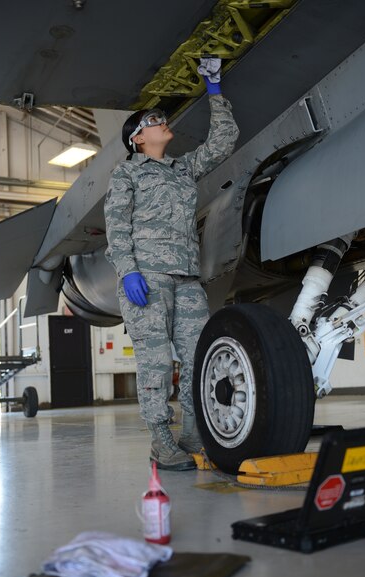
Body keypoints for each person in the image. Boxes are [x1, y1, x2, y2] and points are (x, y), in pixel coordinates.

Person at [104, 58, 239, 471]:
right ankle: (161, 443)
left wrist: (214, 89)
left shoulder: (182, 169)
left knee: (200, 358)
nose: (163, 121)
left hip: (186, 278)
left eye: (162, 116)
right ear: (138, 140)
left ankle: (194, 438)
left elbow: (223, 141)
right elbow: (116, 225)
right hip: (147, 277)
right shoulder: (127, 174)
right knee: (156, 361)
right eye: (152, 119)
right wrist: (127, 270)